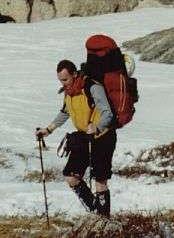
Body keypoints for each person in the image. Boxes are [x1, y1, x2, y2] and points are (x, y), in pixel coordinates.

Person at [36, 59, 116, 217]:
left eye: (65, 79)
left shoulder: (92, 87)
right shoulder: (69, 91)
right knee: (71, 176)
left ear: (74, 74)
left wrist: (98, 126)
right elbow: (65, 112)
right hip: (84, 137)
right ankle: (95, 211)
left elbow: (108, 113)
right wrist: (49, 129)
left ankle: (104, 220)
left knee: (100, 181)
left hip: (103, 137)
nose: (63, 83)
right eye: (60, 80)